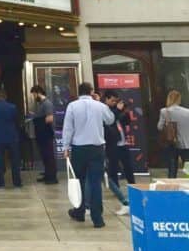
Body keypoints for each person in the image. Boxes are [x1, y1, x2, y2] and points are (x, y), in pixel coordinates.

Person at [63, 82, 114, 228]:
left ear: (79, 92)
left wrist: (66, 147)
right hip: (97, 148)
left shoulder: (72, 106)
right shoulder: (100, 106)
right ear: (91, 92)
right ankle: (97, 218)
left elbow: (68, 128)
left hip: (79, 148)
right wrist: (100, 102)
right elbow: (110, 119)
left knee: (79, 180)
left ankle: (79, 212)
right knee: (95, 182)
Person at [102, 90, 135, 215]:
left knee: (128, 166)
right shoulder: (105, 110)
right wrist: (118, 110)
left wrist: (124, 111)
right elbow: (110, 120)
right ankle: (117, 190)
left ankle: (133, 186)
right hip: (112, 144)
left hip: (123, 142)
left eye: (116, 101)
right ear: (107, 99)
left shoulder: (117, 109)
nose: (114, 103)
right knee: (113, 168)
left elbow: (126, 121)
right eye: (112, 100)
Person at [0, 89, 22, 189]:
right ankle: (17, 182)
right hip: (12, 137)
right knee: (15, 160)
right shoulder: (13, 107)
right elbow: (17, 122)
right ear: (5, 96)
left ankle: (0, 182)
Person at [157, 89, 189, 178]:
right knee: (188, 167)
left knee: (172, 168)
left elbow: (159, 127)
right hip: (186, 143)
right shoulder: (187, 111)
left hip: (171, 143)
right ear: (179, 99)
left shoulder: (164, 111)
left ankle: (171, 184)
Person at [30, 85, 58, 184]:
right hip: (42, 135)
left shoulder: (47, 104)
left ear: (38, 93)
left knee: (49, 155)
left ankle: (52, 177)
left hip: (46, 134)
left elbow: (50, 118)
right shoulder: (41, 104)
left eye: (34, 94)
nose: (34, 97)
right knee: (45, 156)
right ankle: (47, 174)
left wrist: (38, 120)